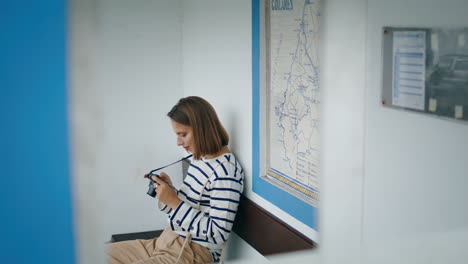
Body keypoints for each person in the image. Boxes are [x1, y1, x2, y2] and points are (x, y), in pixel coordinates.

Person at [107, 96, 244, 264]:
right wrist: (169, 193)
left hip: (193, 251)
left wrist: (174, 202)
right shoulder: (199, 158)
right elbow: (188, 209)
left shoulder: (225, 171)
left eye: (183, 134)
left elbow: (218, 234)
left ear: (202, 129)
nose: (178, 142)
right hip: (166, 239)